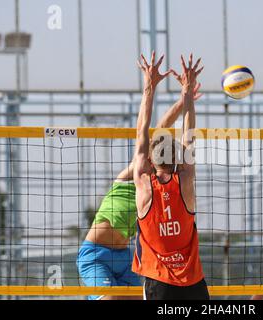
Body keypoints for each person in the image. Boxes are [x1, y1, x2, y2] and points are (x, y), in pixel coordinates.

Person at [76, 52, 202, 300]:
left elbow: (158, 138)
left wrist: (180, 98)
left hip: (126, 257)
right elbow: (158, 132)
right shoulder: (135, 174)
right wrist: (182, 102)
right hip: (96, 253)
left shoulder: (158, 184)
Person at [132, 52, 209, 300]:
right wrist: (187, 94)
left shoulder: (143, 183)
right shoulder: (185, 180)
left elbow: (141, 133)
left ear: (150, 162)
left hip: (159, 284)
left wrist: (149, 88)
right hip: (193, 285)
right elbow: (189, 133)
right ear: (177, 159)